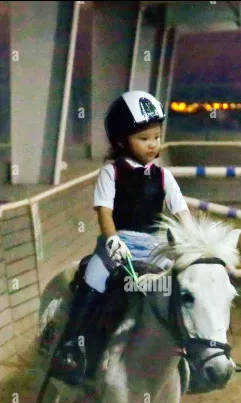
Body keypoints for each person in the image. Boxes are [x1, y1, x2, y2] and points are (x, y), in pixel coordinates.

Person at [49, 90, 193, 385]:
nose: (153, 143)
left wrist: (194, 244)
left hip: (155, 248)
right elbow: (105, 211)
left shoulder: (165, 177)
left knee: (185, 289)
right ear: (121, 141)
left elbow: (183, 214)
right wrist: (112, 239)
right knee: (92, 280)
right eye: (143, 138)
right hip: (118, 246)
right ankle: (71, 347)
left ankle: (191, 352)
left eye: (156, 136)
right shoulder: (110, 173)